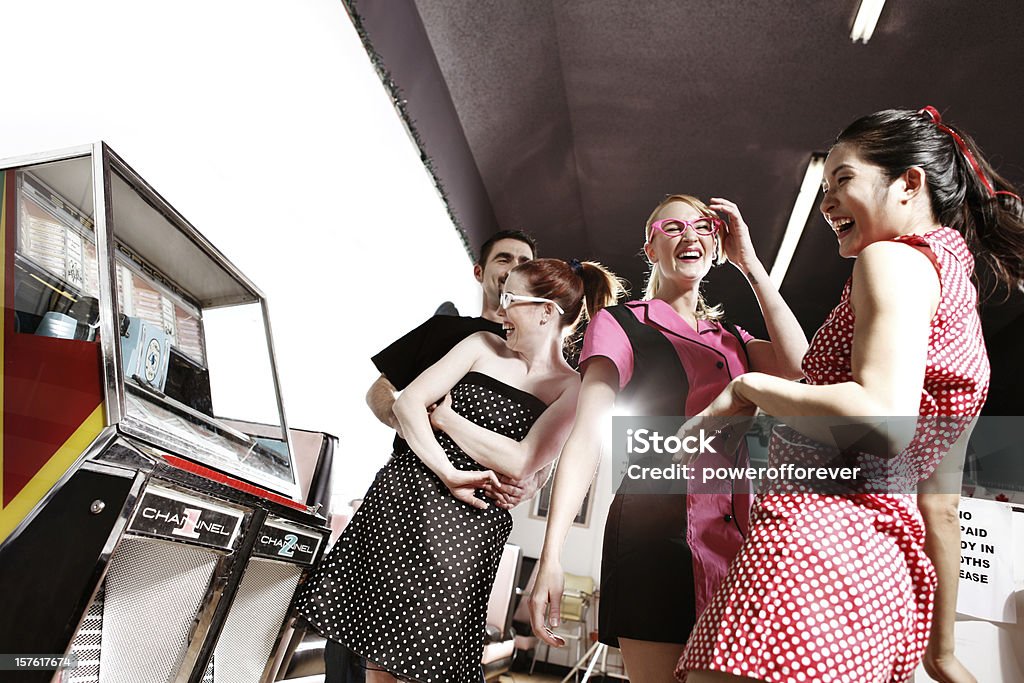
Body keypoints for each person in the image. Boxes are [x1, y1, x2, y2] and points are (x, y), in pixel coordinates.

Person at [676, 107, 1023, 683]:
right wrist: (941, 653)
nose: (827, 203)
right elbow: (941, 507)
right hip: (879, 579)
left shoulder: (891, 259)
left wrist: (748, 388)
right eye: (823, 188)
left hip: (810, 552)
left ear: (908, 183)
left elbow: (883, 419)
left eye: (843, 180)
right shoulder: (957, 296)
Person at [295, 257, 624, 683]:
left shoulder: (571, 387)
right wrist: (448, 470)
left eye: (512, 300)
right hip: (402, 506)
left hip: (467, 538)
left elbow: (523, 460)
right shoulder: (480, 345)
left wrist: (448, 420)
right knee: (377, 662)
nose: (502, 310)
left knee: (428, 665)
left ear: (547, 310)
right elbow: (407, 403)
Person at [529, 195, 809, 682]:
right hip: (653, 539)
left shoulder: (735, 340)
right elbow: (586, 439)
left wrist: (750, 264)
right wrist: (551, 555)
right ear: (650, 247)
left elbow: (802, 366)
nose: (689, 235)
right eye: (673, 227)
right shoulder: (621, 323)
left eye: (702, 227)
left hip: (737, 546)